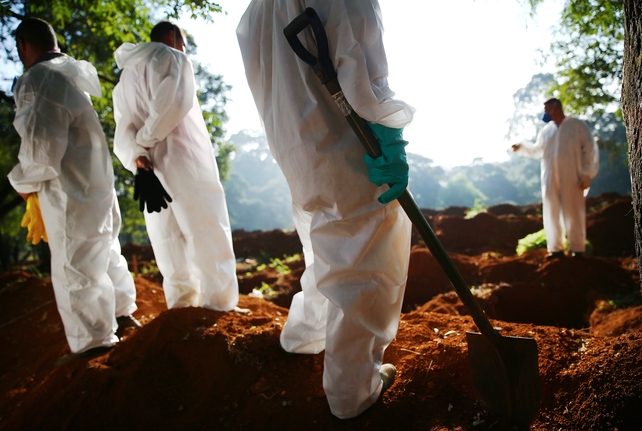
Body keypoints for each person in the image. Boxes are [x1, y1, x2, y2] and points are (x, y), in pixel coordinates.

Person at [237, 0, 414, 419]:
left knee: (322, 245)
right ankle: (352, 393)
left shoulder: (254, 12)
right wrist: (389, 133)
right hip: (345, 148)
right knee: (364, 261)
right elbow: (363, 67)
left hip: (297, 152)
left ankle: (305, 334)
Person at [8, 17, 139, 357]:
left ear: (23, 45)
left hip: (67, 190)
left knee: (75, 264)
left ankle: (94, 345)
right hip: (96, 183)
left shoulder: (37, 79)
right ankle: (124, 316)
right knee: (105, 250)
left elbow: (41, 147)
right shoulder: (71, 76)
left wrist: (22, 184)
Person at [112, 21, 239, 311]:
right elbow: (173, 104)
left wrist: (136, 153)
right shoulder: (173, 57)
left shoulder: (125, 79)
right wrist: (146, 140)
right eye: (183, 42)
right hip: (184, 159)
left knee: (166, 235)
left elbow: (122, 130)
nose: (184, 48)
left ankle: (182, 305)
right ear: (172, 37)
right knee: (206, 226)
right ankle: (218, 303)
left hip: (148, 168)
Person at [512, 98, 599, 259]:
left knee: (574, 211)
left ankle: (577, 249)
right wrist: (522, 147)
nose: (545, 113)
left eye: (547, 109)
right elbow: (538, 150)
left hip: (573, 176)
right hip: (550, 176)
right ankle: (556, 249)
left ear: (555, 108)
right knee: (551, 211)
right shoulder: (546, 131)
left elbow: (590, 149)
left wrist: (587, 174)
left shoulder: (577, 126)